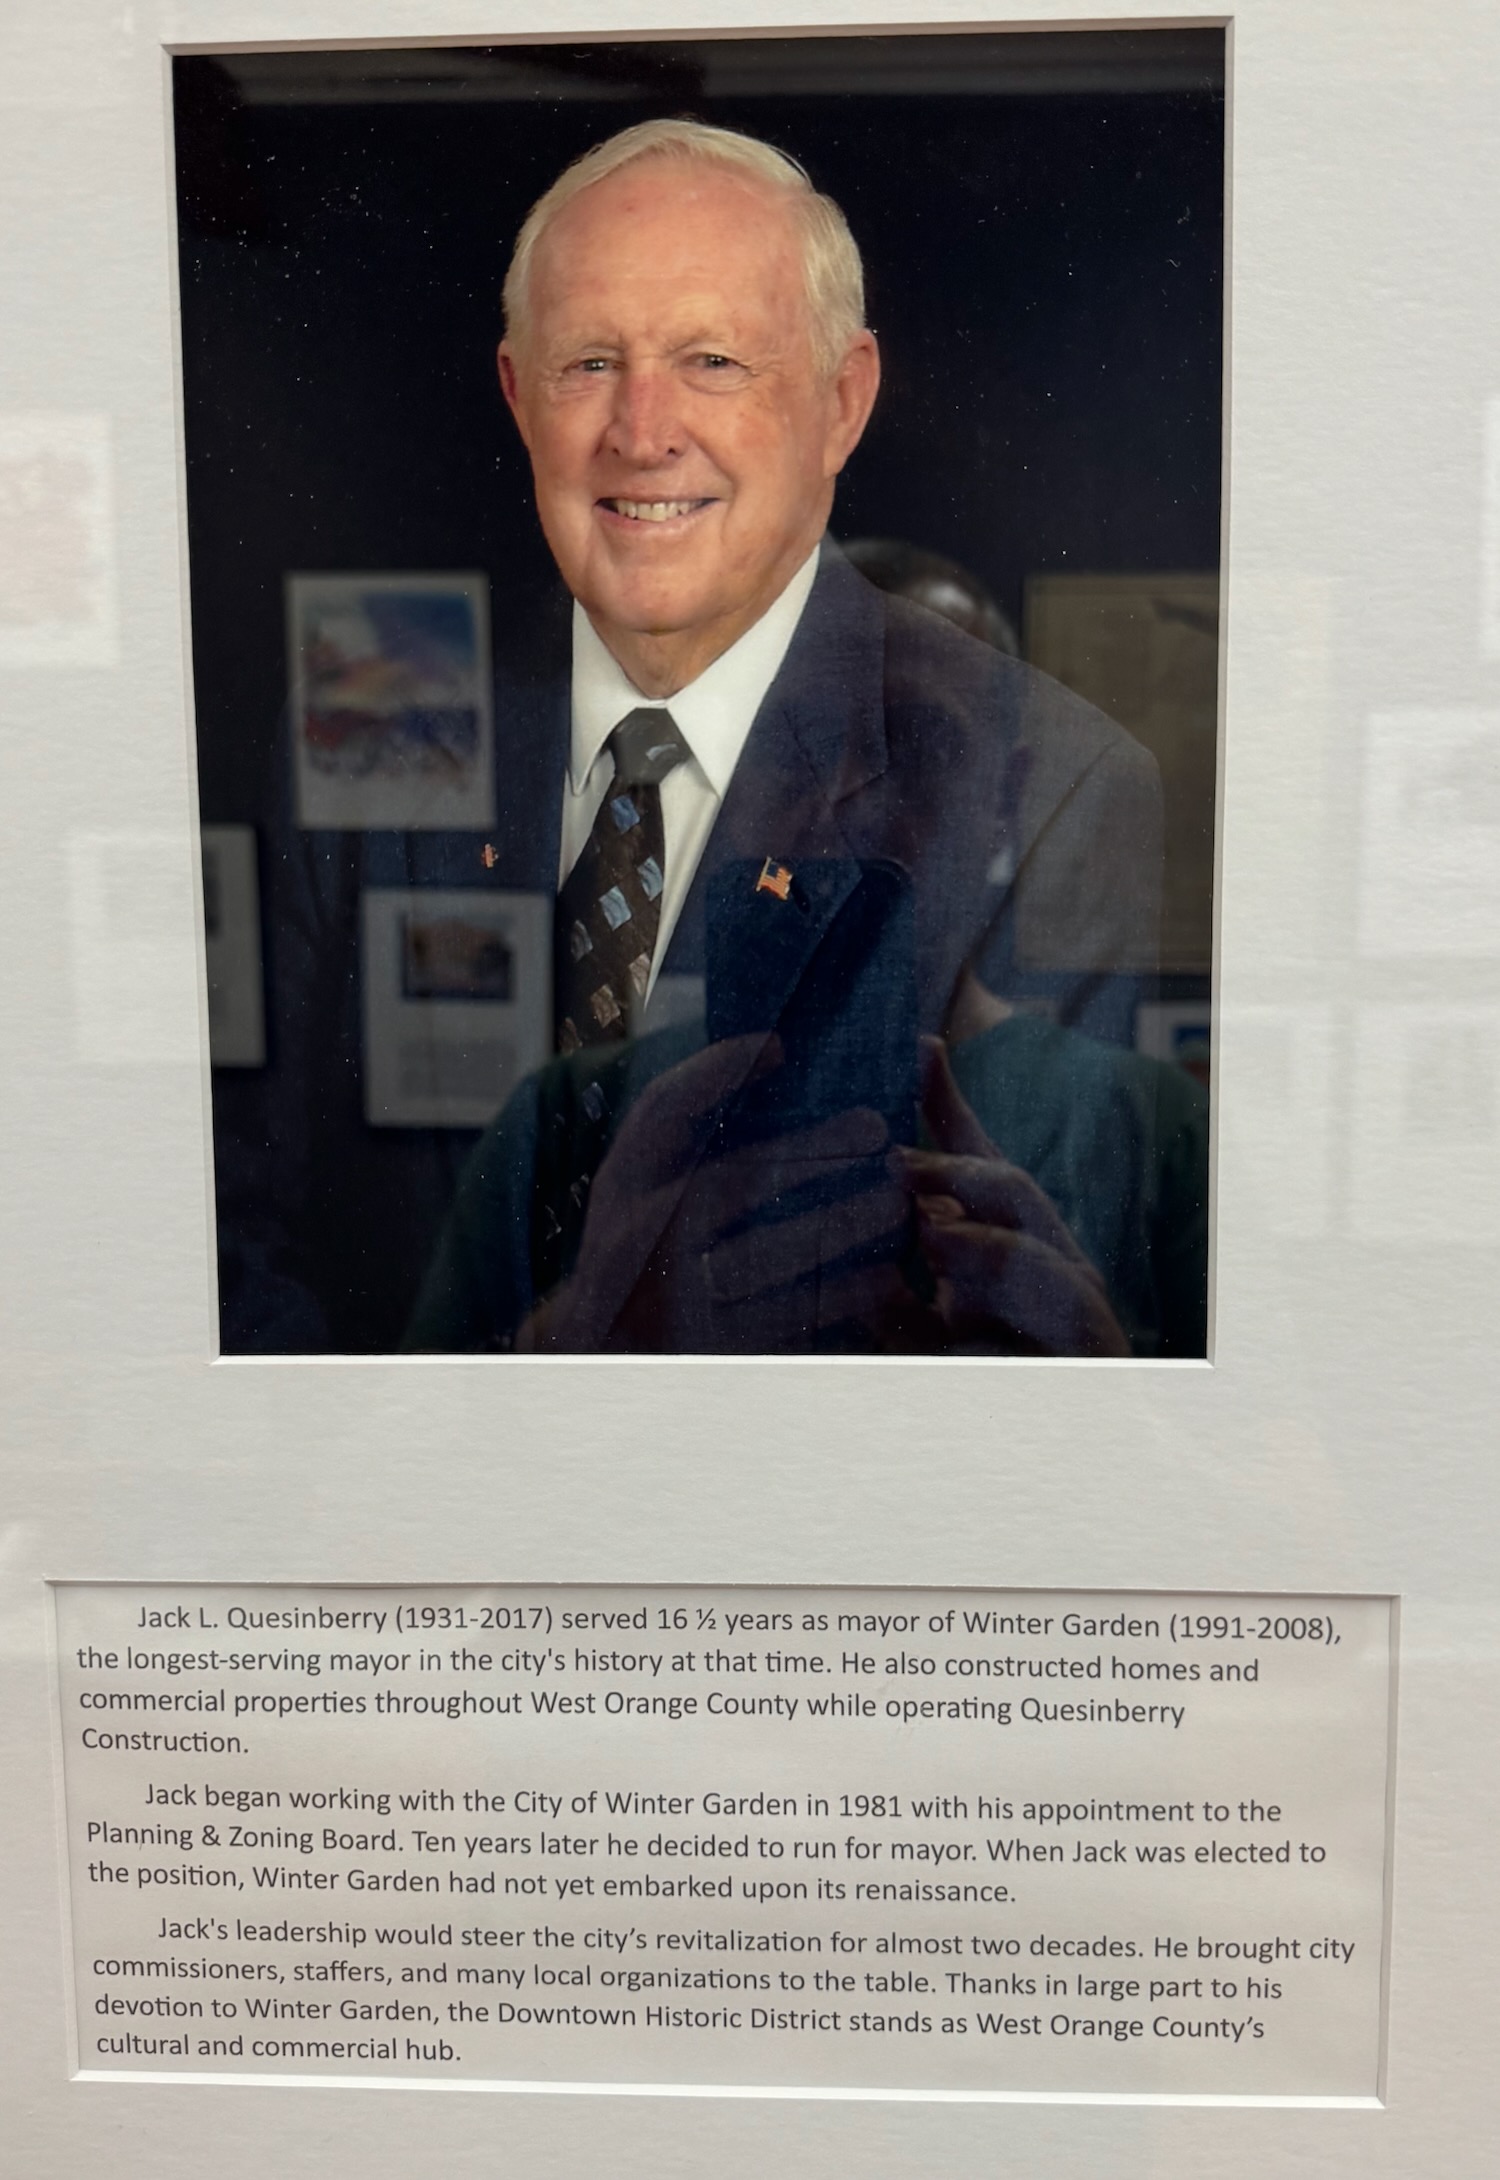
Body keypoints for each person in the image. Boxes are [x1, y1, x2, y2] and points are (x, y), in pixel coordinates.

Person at [402, 118, 1175, 1355]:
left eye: (712, 359)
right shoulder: (378, 757)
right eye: (589, 362)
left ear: (841, 401)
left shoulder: (1046, 785)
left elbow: (1017, 1333)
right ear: (517, 394)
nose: (642, 430)